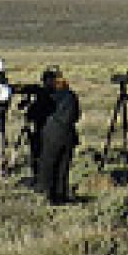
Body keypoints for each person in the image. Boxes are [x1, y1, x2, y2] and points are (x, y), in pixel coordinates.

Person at [32, 66, 80, 204]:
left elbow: (34, 114)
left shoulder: (48, 96)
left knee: (47, 166)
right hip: (68, 135)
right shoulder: (71, 95)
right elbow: (76, 116)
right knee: (63, 168)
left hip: (51, 136)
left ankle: (47, 195)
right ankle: (61, 196)